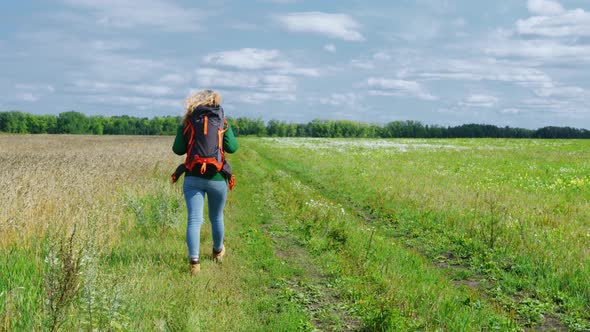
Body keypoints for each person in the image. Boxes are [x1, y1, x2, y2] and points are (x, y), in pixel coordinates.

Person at [172, 90, 238, 275]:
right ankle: (217, 251)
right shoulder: (222, 121)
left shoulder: (189, 121)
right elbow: (232, 148)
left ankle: (194, 262)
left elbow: (178, 149)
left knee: (194, 219)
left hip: (193, 177)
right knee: (216, 217)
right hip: (216, 178)